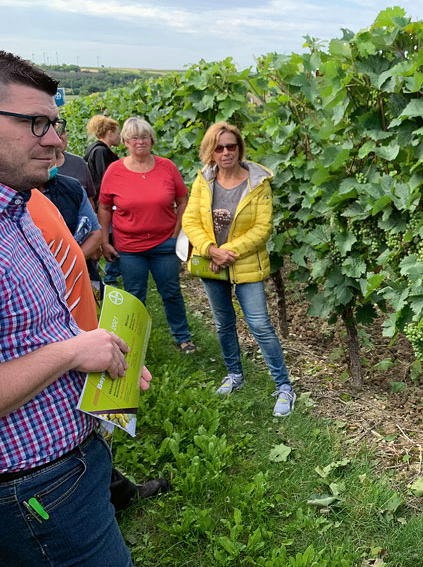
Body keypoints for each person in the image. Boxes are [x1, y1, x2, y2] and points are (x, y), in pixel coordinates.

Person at [0, 50, 149, 566]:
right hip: (32, 492)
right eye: (36, 123)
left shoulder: (19, 212)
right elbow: (58, 349)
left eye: (56, 123)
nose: (57, 140)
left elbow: (42, 332)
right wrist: (70, 355)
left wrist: (104, 354)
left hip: (69, 467)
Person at [28, 188, 169, 513]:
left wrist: (98, 344)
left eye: (59, 131)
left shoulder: (30, 200)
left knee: (95, 436)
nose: (54, 140)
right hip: (56, 372)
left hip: (82, 349)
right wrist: (72, 353)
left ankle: (115, 493)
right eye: (33, 131)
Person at [182, 121, 295, 415]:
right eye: (219, 147)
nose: (226, 152)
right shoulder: (202, 181)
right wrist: (211, 250)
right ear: (211, 151)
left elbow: (263, 227)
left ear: (239, 148)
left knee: (259, 324)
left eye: (231, 146)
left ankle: (284, 387)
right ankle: (235, 375)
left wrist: (228, 252)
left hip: (244, 263)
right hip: (212, 263)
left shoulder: (257, 183)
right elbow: (190, 221)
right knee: (223, 322)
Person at [98, 117, 195, 353]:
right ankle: (134, 340)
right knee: (134, 294)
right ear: (125, 142)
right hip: (130, 246)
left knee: (171, 291)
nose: (140, 142)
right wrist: (103, 240)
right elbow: (103, 207)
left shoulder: (167, 167)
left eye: (144, 137)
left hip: (164, 243)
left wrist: (177, 230)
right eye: (134, 138)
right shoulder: (115, 171)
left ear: (151, 140)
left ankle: (183, 337)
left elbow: (183, 199)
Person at [85, 114, 122, 285]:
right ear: (109, 133)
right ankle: (110, 277)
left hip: (102, 202)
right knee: (111, 237)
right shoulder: (101, 152)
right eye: (117, 133)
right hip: (105, 203)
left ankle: (113, 274)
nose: (120, 137)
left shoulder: (95, 149)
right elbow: (105, 179)